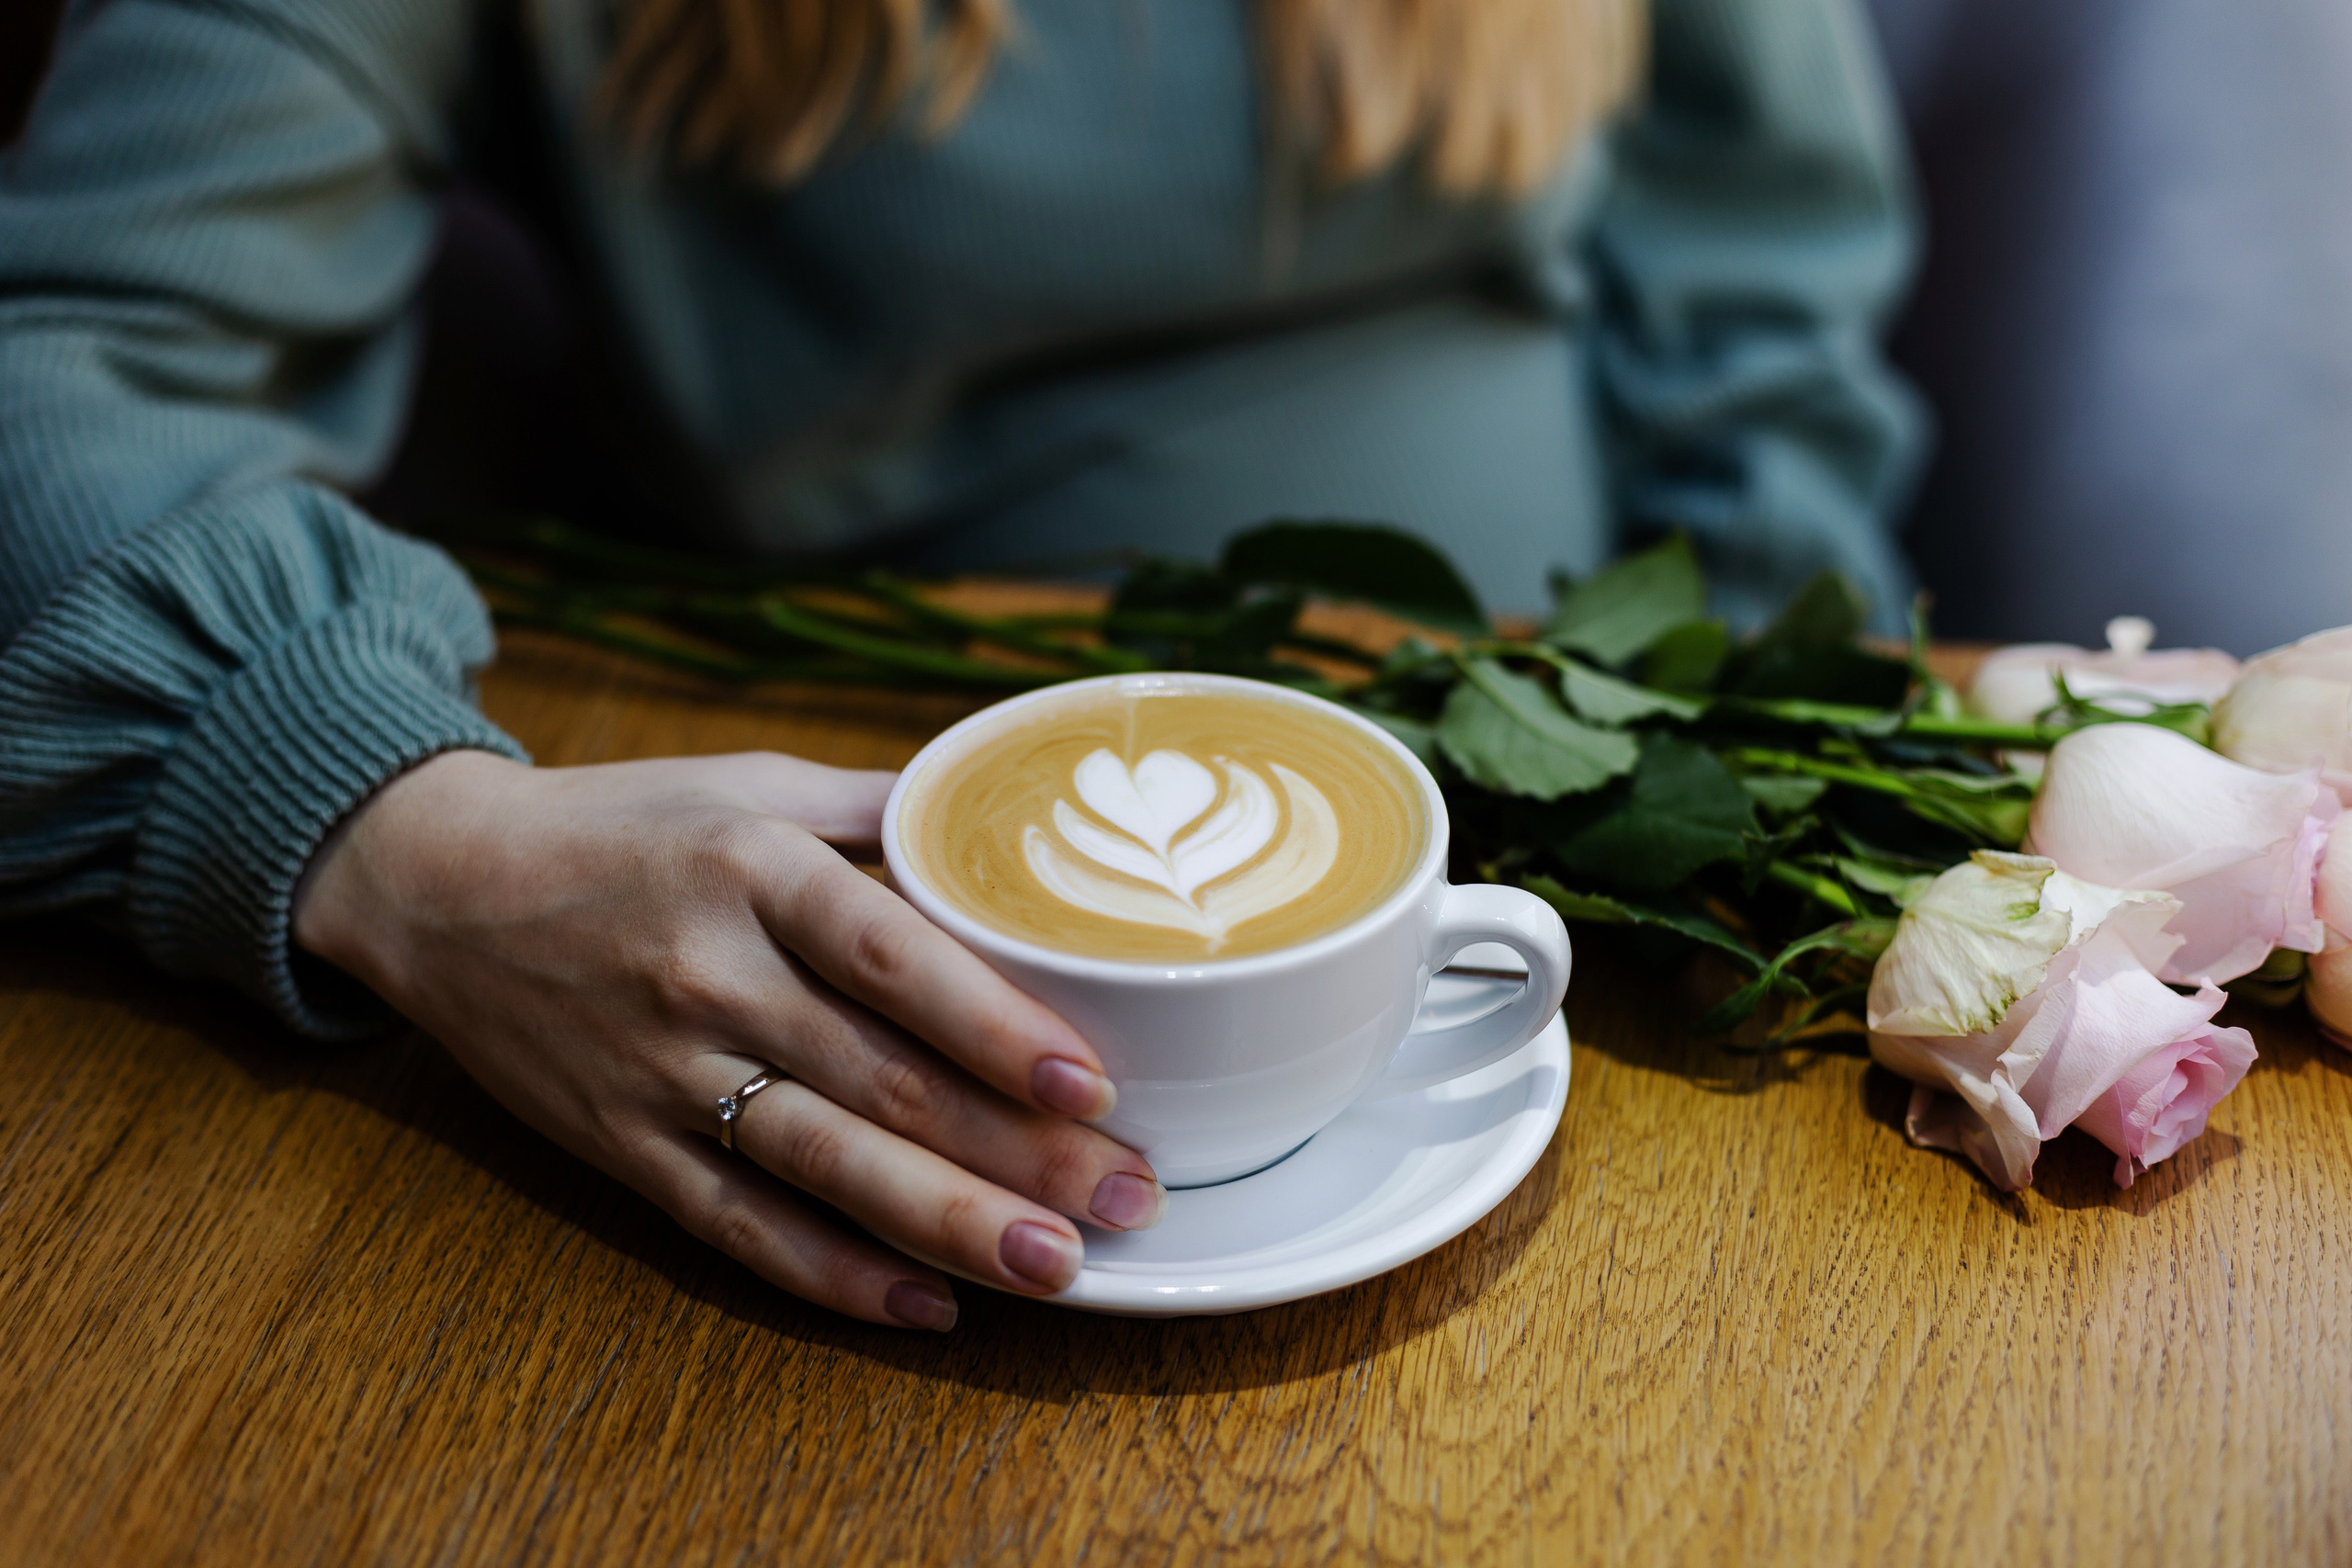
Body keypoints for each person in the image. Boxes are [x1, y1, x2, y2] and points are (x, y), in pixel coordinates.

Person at [0, 0, 1920, 1329]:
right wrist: (400, 838)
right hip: (864, 962)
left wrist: (1779, 805)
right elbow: (56, 366)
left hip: (1629, 904)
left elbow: (1769, 350)